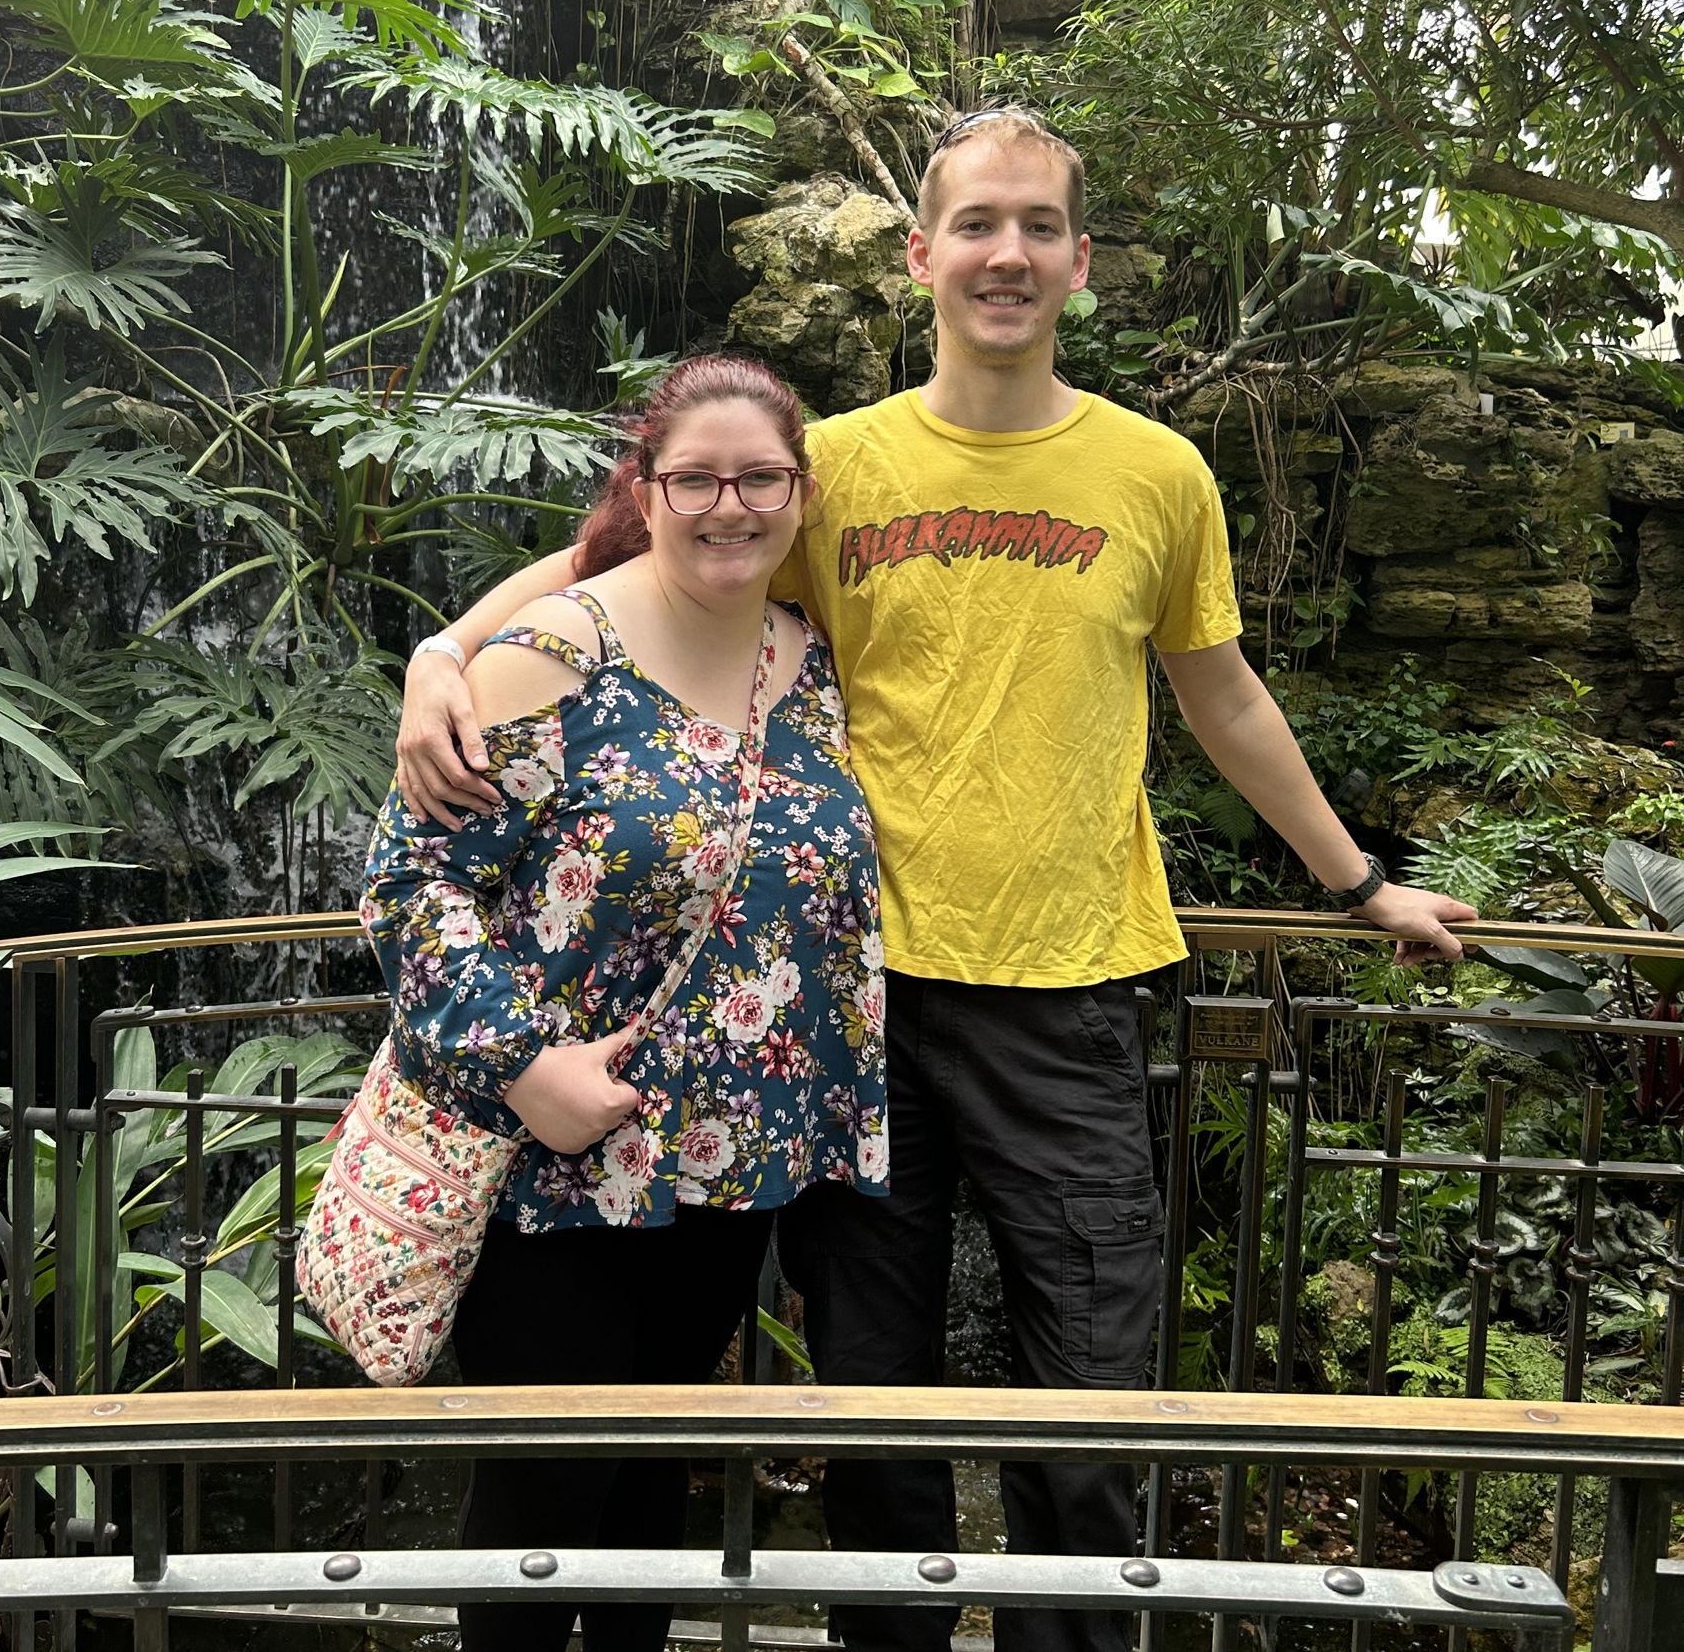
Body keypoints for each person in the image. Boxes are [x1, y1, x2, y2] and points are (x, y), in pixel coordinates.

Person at [393, 107, 1478, 1652]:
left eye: (1040, 226)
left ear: (1081, 262)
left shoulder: (1157, 474)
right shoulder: (824, 469)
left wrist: (1358, 880)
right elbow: (607, 572)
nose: (1008, 253)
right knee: (876, 1387)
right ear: (922, 255)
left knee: (1095, 1386)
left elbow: (1222, 694)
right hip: (859, 1004)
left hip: (1075, 991)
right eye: (977, 224)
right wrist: (444, 655)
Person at [362, 351, 889, 1652]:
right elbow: (406, 883)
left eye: (759, 478)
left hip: (725, 1183)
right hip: (557, 1173)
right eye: (697, 478)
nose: (730, 506)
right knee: (545, 1505)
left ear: (801, 494)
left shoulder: (812, 663)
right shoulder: (554, 654)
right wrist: (525, 1064)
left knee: (654, 1492)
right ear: (645, 491)